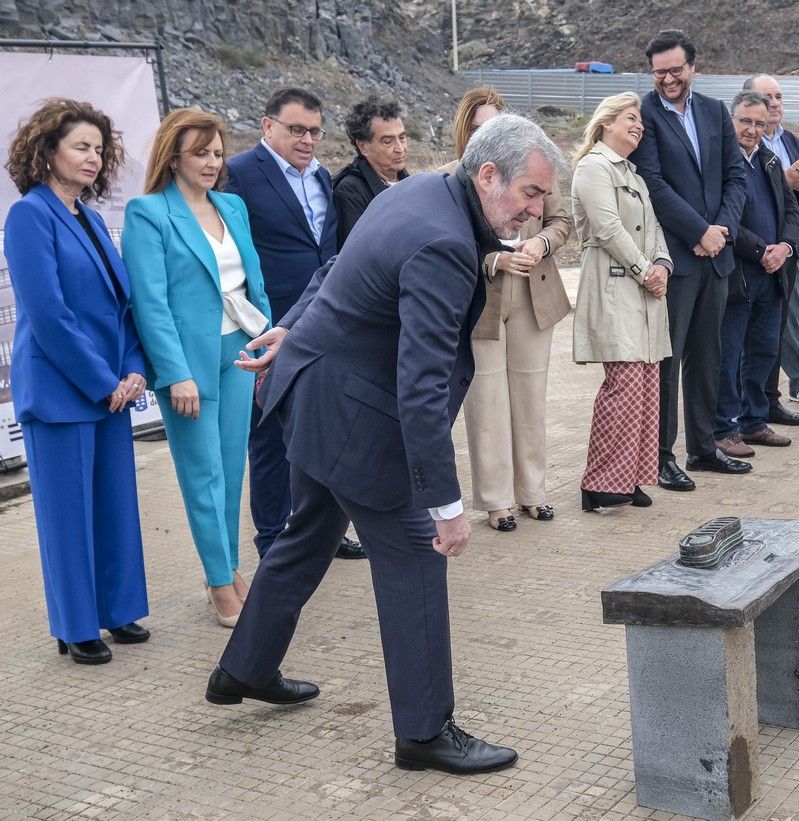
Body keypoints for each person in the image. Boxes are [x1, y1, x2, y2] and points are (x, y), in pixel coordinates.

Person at [204, 114, 567, 775]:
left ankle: (244, 667)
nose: (537, 210)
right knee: (418, 556)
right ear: (488, 175)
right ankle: (425, 733)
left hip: (317, 391)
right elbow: (421, 384)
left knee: (308, 530)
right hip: (351, 414)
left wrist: (295, 330)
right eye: (532, 194)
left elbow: (337, 268)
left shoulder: (420, 191)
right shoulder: (445, 242)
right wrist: (446, 504)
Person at [3, 98, 150, 664]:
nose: (94, 158)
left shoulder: (88, 216)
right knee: (67, 517)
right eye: (81, 147)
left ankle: (117, 611)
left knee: (115, 507)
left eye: (99, 149)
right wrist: (102, 381)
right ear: (47, 152)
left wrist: (134, 369)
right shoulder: (29, 215)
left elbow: (121, 305)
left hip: (112, 391)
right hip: (65, 393)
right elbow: (48, 313)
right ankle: (75, 625)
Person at [122, 108, 272, 628]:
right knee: (202, 474)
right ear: (173, 157)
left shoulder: (231, 206)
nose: (212, 162)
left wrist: (267, 337)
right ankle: (217, 582)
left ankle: (230, 568)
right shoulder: (149, 214)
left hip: (239, 354)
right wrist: (175, 372)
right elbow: (151, 304)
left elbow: (253, 280)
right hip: (188, 366)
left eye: (216, 152)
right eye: (200, 153)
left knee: (232, 472)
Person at [226, 88, 364, 560]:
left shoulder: (323, 176)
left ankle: (321, 530)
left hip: (323, 321)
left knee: (321, 426)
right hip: (268, 323)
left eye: (314, 131)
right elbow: (233, 255)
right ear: (268, 126)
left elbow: (326, 250)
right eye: (296, 130)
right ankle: (271, 538)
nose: (307, 140)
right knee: (268, 434)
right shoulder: (239, 174)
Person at [439, 87, 572, 532]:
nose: (490, 134)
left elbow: (562, 221)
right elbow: (447, 244)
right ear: (467, 133)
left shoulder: (534, 168)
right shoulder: (453, 178)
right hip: (484, 302)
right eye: (480, 128)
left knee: (531, 397)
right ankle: (496, 502)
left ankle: (532, 493)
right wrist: (495, 259)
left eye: (498, 125)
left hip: (536, 295)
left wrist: (540, 242)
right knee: (487, 401)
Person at [630, 29, 748, 490]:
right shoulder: (644, 114)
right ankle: (662, 457)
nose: (667, 79)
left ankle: (703, 449)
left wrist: (720, 232)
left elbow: (735, 178)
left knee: (707, 357)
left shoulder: (715, 111)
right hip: (675, 258)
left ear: (693, 66)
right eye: (659, 72)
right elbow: (653, 184)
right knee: (669, 359)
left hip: (715, 255)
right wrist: (698, 232)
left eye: (675, 70)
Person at [570, 92, 672, 511]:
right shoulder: (593, 167)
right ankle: (598, 483)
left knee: (646, 386)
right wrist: (644, 269)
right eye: (631, 118)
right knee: (623, 386)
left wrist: (663, 263)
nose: (639, 126)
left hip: (645, 289)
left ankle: (629, 477)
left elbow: (655, 228)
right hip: (617, 285)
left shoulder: (634, 174)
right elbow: (609, 229)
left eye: (641, 121)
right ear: (607, 122)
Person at [713, 91, 799, 457]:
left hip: (773, 275)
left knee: (763, 351)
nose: (751, 129)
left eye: (759, 123)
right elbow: (720, 215)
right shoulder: (718, 162)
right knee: (729, 356)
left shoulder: (768, 160)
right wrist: (760, 249)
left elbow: (792, 212)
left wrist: (784, 247)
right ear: (731, 120)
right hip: (737, 275)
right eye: (745, 121)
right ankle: (723, 429)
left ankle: (754, 422)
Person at [743, 73, 799, 417]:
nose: (775, 103)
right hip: (753, 250)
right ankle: (752, 402)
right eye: (768, 97)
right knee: (753, 329)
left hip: (788, 247)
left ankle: (786, 388)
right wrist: (784, 182)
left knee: (788, 317)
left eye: (778, 97)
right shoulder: (745, 141)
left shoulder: (790, 140)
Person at [334, 95, 409, 247]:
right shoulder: (351, 191)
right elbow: (360, 251)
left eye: (402, 138)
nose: (400, 149)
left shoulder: (409, 182)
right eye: (388, 141)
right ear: (363, 146)